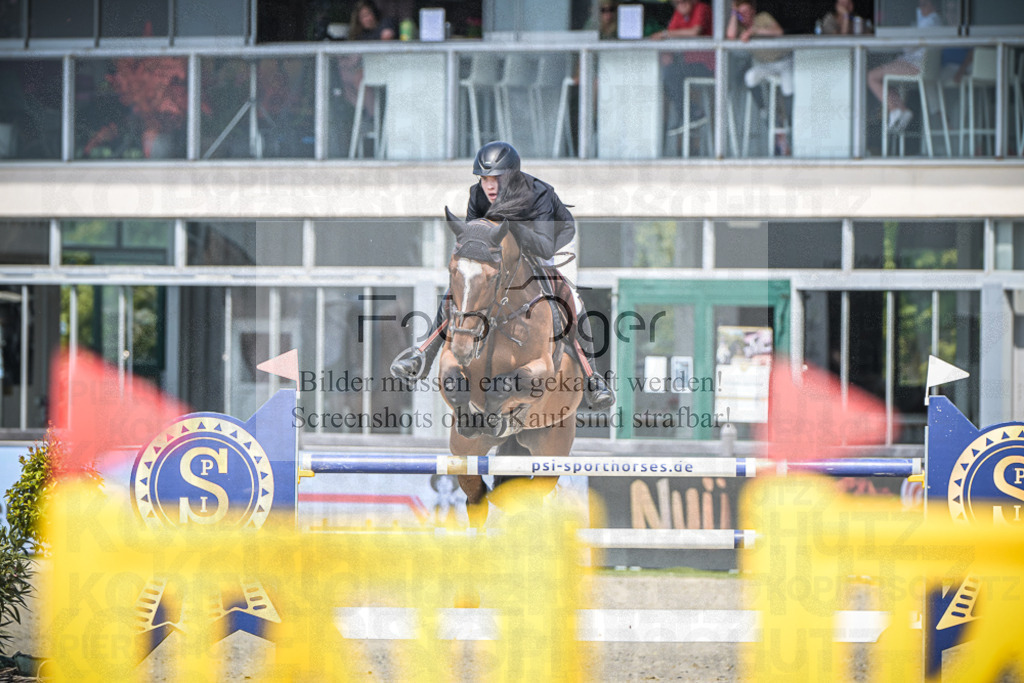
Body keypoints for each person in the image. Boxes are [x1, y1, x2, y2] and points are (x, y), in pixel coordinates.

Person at [390, 141, 616, 411]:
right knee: (465, 288)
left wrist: (514, 230)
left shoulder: (539, 194)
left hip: (552, 242)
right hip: (504, 250)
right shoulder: (477, 195)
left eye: (496, 178)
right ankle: (422, 355)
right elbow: (475, 238)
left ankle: (593, 378)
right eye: (484, 179)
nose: (489, 186)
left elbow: (544, 246)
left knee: (570, 297)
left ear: (511, 177)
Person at [867, 0, 942, 135]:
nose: (921, 8)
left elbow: (909, 46)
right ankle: (900, 109)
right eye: (919, 5)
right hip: (922, 66)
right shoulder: (937, 22)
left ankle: (895, 110)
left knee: (872, 76)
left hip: (915, 66)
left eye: (924, 5)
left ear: (934, 6)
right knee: (886, 80)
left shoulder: (929, 22)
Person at [651, 0, 714, 133]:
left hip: (710, 67)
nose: (681, 3)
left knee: (670, 73)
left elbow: (695, 32)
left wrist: (664, 34)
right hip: (689, 65)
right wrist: (666, 51)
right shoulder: (679, 13)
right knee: (665, 76)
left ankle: (693, 114)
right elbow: (670, 35)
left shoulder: (701, 8)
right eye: (677, 2)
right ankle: (690, 115)